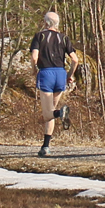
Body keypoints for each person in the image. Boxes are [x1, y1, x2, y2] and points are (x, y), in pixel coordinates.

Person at [30, 10, 80, 157]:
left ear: (45, 23)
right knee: (50, 111)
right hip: (60, 73)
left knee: (48, 114)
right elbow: (75, 60)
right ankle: (45, 146)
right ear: (57, 24)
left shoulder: (40, 36)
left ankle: (61, 113)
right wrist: (69, 75)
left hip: (46, 73)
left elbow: (34, 58)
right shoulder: (64, 38)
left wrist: (34, 70)